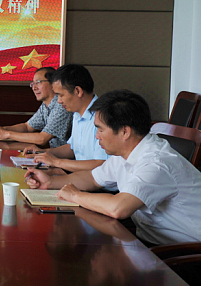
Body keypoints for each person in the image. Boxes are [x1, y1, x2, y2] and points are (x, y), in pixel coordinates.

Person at [25, 90, 201, 246]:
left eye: (100, 130)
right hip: (150, 241)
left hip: (185, 254)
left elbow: (118, 208)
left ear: (125, 132)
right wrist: (50, 182)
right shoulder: (126, 153)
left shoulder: (156, 163)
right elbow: (92, 179)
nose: (97, 136)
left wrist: (75, 195)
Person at [25, 64, 109, 173]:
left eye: (61, 95)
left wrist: (56, 162)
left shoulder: (104, 116)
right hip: (81, 177)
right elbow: (72, 148)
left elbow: (101, 164)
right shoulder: (77, 113)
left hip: (96, 181)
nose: (59, 101)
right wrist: (42, 153)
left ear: (78, 91)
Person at [0, 67, 72, 151]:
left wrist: (7, 134)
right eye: (33, 84)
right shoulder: (45, 106)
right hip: (54, 155)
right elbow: (27, 127)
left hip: (67, 158)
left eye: (38, 82)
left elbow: (42, 139)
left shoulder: (62, 105)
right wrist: (2, 129)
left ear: (53, 83)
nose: (34, 88)